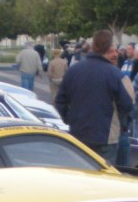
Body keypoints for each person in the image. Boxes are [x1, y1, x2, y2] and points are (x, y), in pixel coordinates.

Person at [55, 29, 133, 163]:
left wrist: (69, 118)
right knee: (104, 178)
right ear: (108, 48)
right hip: (106, 136)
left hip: (79, 133)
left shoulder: (74, 70)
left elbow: (60, 101)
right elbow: (128, 104)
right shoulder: (115, 74)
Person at [103, 45, 136, 165]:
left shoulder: (83, 72)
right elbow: (128, 105)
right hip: (115, 130)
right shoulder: (121, 77)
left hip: (90, 131)